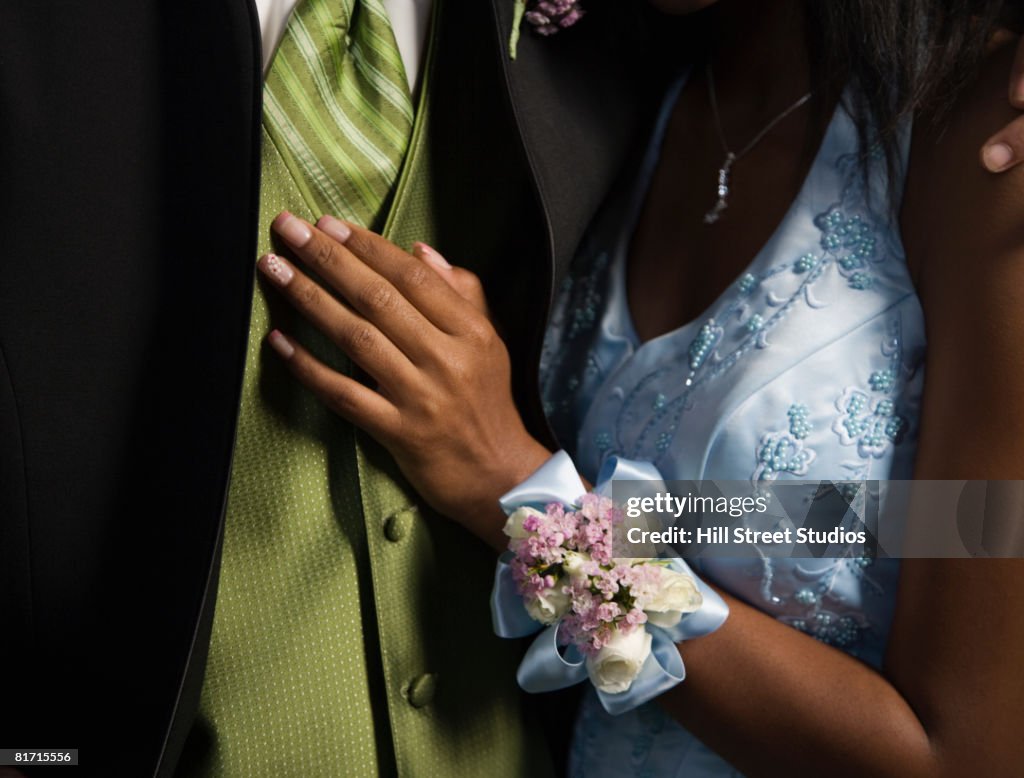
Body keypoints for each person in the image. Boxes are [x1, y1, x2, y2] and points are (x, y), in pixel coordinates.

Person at [1, 2, 1023, 777]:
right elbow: (864, 524)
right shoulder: (646, 84)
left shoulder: (985, 136)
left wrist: (524, 501)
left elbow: (960, 747)